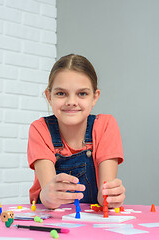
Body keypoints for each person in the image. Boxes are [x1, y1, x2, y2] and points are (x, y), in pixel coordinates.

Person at [27, 54, 125, 210]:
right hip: (51, 221)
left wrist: (109, 196)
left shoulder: (105, 126)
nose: (71, 102)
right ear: (49, 96)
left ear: (95, 97)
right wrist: (47, 195)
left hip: (91, 224)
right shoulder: (40, 129)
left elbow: (103, 196)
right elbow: (49, 195)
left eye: (82, 93)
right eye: (61, 93)